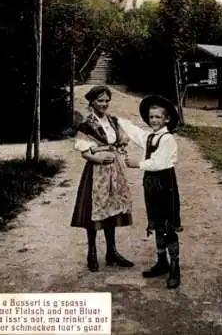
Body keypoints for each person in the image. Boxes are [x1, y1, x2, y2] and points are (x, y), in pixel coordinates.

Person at [118, 95, 182, 289]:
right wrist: (118, 121)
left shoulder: (167, 139)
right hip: (151, 185)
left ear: (167, 119)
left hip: (165, 185)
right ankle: (161, 261)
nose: (154, 120)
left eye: (158, 117)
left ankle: (174, 267)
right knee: (156, 223)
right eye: (151, 117)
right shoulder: (150, 136)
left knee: (168, 225)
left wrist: (138, 163)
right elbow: (136, 133)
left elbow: (160, 163)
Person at [71, 85, 134, 272]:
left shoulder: (113, 121)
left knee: (112, 209)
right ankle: (91, 252)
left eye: (106, 100)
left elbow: (121, 140)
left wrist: (120, 147)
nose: (104, 104)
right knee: (94, 211)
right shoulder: (87, 124)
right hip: (96, 172)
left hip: (114, 171)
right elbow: (84, 152)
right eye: (100, 100)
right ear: (92, 102)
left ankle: (111, 252)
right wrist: (99, 158)